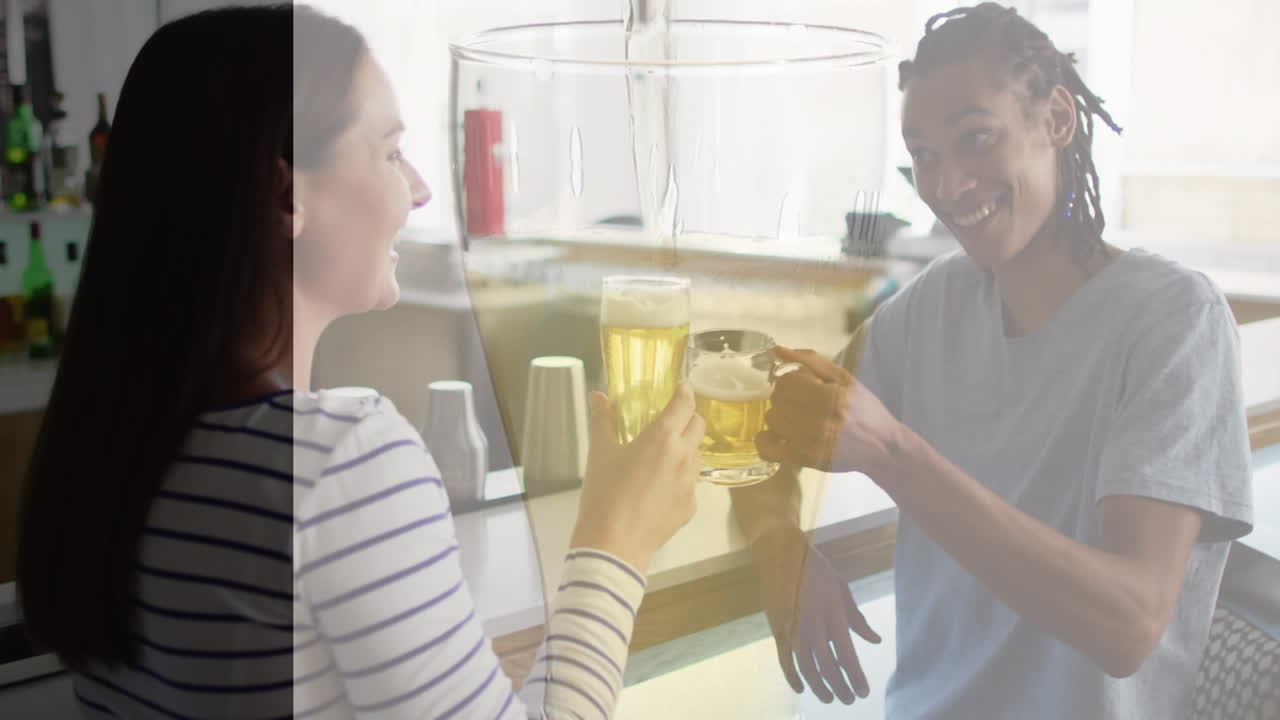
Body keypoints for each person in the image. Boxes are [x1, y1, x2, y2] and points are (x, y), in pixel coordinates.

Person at [15, 5, 703, 718]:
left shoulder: (105, 450)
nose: (419, 189)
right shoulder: (338, 460)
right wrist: (616, 536)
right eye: (389, 151)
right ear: (289, 196)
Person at [732, 3, 1254, 718]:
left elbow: (1129, 626)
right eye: (925, 156)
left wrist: (892, 451)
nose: (946, 186)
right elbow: (760, 428)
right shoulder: (929, 309)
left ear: (1057, 121)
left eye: (976, 140)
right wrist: (777, 545)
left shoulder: (1173, 321)